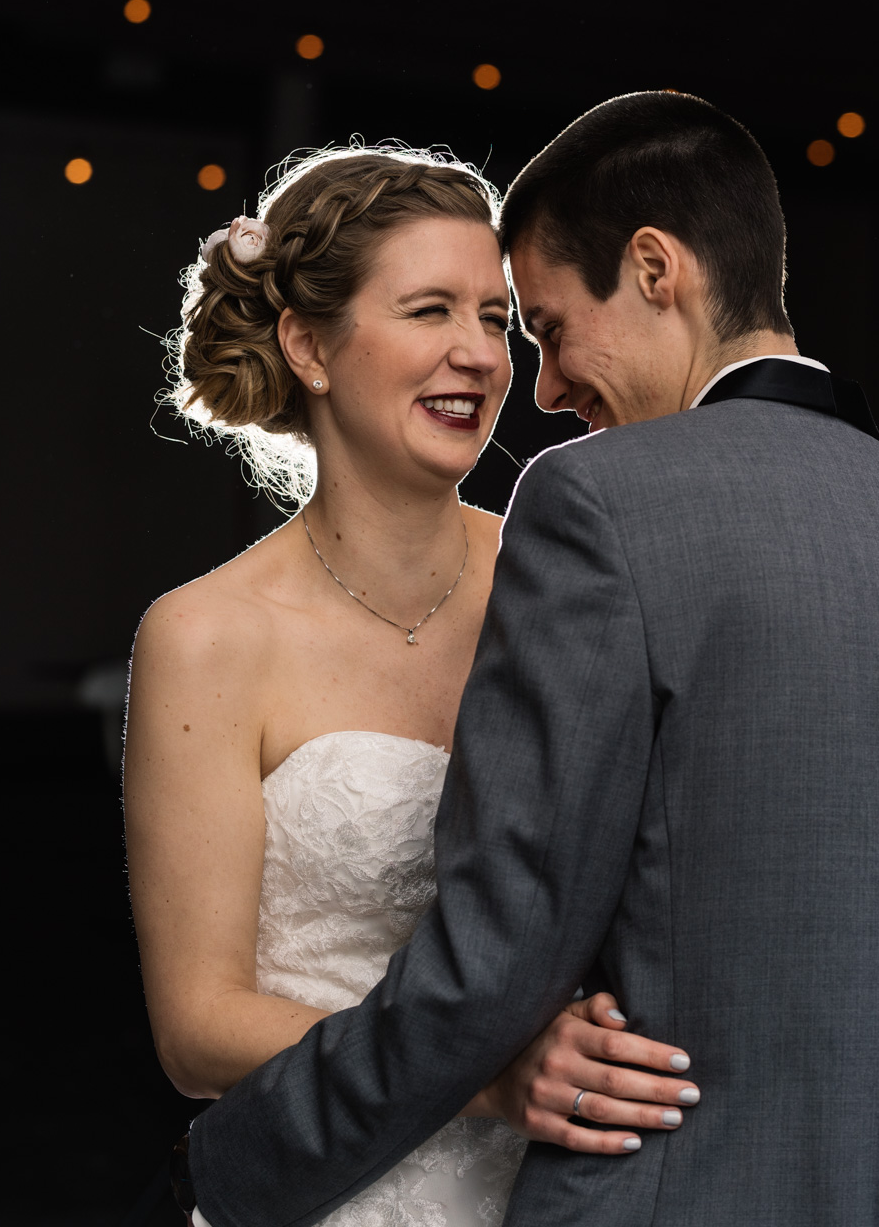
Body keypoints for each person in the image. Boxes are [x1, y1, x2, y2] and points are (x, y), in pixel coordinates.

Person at [180, 93, 879, 1227]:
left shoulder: (595, 505)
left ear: (657, 268)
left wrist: (232, 1171)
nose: (544, 386)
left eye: (545, 327)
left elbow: (500, 953)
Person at [127, 146, 719, 1227]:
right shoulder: (206, 635)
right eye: (430, 310)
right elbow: (197, 1028)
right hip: (330, 1183)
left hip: (577, 1188)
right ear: (308, 344)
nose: (478, 354)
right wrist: (489, 1078)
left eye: (498, 320)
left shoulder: (579, 583)